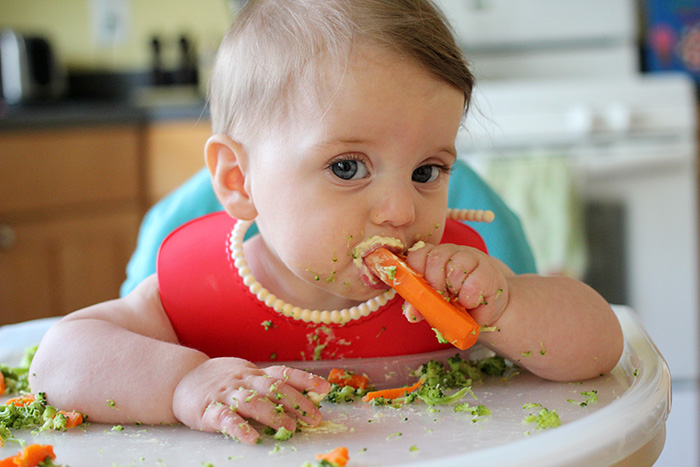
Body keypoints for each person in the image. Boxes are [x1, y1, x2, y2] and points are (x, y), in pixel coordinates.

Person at [29, 0, 623, 446]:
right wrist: (187, 385)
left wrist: (510, 304)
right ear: (240, 180)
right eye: (347, 166)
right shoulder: (202, 291)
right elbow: (58, 360)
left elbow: (601, 347)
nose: (401, 211)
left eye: (426, 171)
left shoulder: (461, 290)